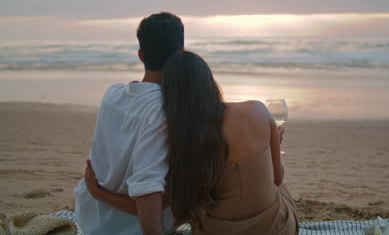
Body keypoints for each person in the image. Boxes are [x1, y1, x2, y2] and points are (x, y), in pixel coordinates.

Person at [85, 50, 299, 235]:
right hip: (274, 230)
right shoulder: (257, 110)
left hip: (214, 232)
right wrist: (274, 145)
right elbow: (277, 178)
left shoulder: (183, 140)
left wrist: (99, 194)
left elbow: (155, 206)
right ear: (209, 79)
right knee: (279, 189)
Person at [74, 12, 184, 235]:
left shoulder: (112, 95)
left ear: (141, 55)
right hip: (133, 228)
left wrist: (99, 193)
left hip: (90, 219)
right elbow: (148, 189)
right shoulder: (163, 110)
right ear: (181, 54)